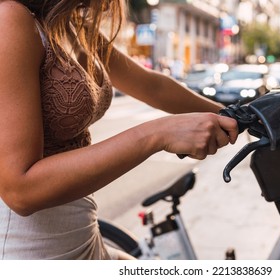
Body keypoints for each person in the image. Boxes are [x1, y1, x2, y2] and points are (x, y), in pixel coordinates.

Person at [0, 0, 238, 260]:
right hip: (28, 251)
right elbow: (20, 190)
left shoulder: (72, 26)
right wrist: (157, 134)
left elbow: (152, 87)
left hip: (84, 239)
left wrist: (236, 114)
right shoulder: (9, 20)